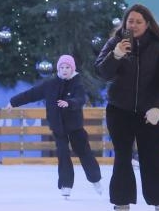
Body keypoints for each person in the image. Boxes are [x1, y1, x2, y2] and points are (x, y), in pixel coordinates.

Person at [95, 4, 159, 211]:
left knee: (154, 159)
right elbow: (101, 72)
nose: (133, 25)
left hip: (148, 113)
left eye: (138, 22)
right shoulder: (115, 44)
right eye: (130, 21)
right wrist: (116, 56)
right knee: (122, 158)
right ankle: (121, 207)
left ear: (147, 24)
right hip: (119, 110)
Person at [8, 55, 101, 196]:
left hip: (75, 127)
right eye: (62, 67)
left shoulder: (77, 84)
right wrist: (13, 102)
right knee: (63, 153)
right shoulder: (50, 85)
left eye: (68, 67)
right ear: (58, 69)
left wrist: (69, 103)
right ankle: (66, 185)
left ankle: (95, 179)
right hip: (58, 127)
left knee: (84, 152)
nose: (64, 70)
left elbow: (81, 99)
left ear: (72, 69)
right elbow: (31, 94)